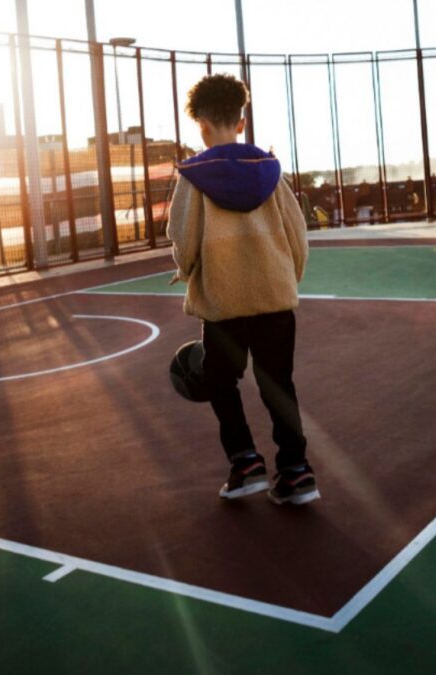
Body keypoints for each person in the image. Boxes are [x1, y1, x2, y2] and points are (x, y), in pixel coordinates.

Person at [167, 73, 317, 506]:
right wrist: (289, 278)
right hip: (273, 295)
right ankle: (296, 472)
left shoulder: (194, 177)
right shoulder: (269, 171)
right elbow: (297, 235)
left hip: (224, 301)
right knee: (278, 384)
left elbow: (185, 239)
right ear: (241, 122)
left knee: (220, 380)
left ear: (201, 127)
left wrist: (187, 270)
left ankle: (245, 462)